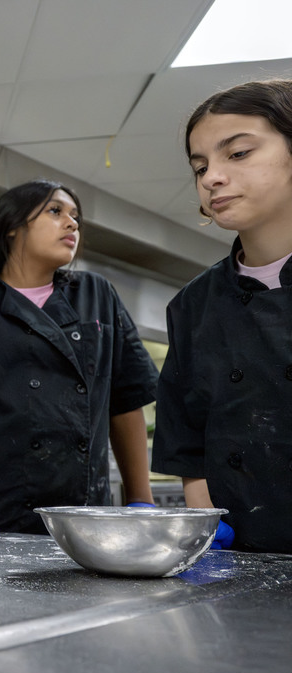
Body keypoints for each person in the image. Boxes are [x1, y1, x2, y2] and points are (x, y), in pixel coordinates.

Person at [0, 179, 159, 534]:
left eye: (76, 216)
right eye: (55, 211)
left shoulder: (97, 294)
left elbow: (126, 400)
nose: (72, 223)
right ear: (12, 226)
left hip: (80, 520)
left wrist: (141, 499)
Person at [152, 79, 292, 554]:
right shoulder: (193, 305)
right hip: (241, 556)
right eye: (200, 166)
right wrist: (207, 525)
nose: (212, 177)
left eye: (237, 153)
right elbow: (187, 439)